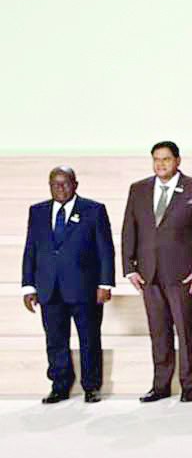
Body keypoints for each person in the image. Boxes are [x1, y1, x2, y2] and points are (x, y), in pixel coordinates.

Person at [121, 141, 192, 403]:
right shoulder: (138, 190)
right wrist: (129, 267)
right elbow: (129, 230)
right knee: (158, 332)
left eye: (166, 159)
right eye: (156, 159)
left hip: (183, 275)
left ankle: (189, 385)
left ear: (178, 161)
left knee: (186, 332)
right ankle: (160, 385)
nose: (160, 164)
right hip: (149, 275)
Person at [22, 166, 115, 403]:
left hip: (84, 288)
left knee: (89, 338)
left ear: (75, 184)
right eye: (55, 184)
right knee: (55, 339)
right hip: (49, 288)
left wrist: (105, 283)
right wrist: (28, 286)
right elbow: (31, 249)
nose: (60, 188)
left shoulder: (94, 210)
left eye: (65, 183)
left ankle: (91, 386)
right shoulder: (38, 211)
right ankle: (60, 385)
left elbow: (105, 250)